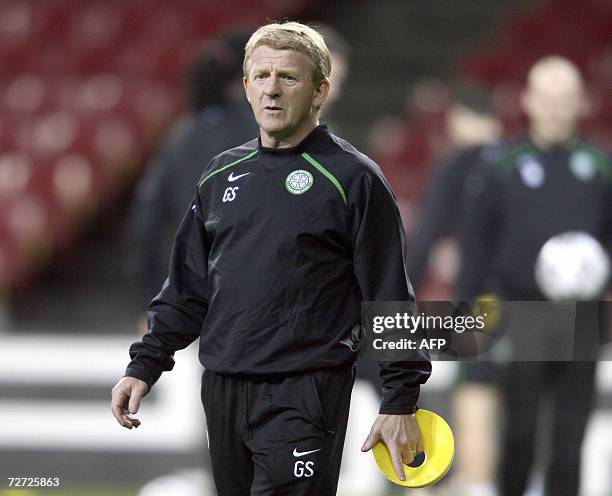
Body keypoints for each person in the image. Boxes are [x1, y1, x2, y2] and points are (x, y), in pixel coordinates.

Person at [111, 22, 431, 496]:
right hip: (223, 386)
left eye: (289, 77)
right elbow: (187, 287)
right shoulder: (220, 174)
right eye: (261, 76)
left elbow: (389, 295)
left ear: (321, 91)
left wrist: (400, 397)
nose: (272, 90)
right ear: (245, 87)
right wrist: (144, 364)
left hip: (306, 390)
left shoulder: (354, 178)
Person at [461, 56, 611, 496]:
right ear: (528, 101)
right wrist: (472, 321)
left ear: (583, 103)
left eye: (565, 99)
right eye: (546, 98)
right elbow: (476, 249)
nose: (556, 109)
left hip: (580, 317)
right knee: (519, 435)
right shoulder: (501, 166)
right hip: (519, 313)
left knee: (569, 442)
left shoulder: (600, 168)